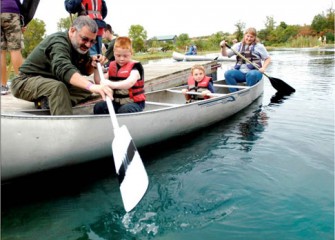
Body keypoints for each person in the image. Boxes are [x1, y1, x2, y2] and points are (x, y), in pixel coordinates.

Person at [10, 16, 114, 115]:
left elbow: (85, 71)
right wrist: (93, 87)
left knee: (85, 86)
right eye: (85, 39)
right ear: (72, 31)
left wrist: (93, 64)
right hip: (24, 82)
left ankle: (49, 102)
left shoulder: (80, 47)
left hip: (51, 82)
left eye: (92, 41)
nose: (88, 45)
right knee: (58, 88)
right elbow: (64, 69)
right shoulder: (59, 42)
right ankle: (64, 127)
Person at [94, 36, 145, 114]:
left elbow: (129, 83)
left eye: (125, 56)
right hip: (117, 103)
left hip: (134, 103)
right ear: (114, 53)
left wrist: (111, 84)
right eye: (118, 55)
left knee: (125, 110)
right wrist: (96, 68)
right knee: (99, 107)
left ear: (131, 53)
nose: (121, 59)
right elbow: (99, 81)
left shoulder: (135, 68)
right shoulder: (112, 67)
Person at [220, 27, 271, 92]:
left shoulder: (259, 46)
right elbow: (225, 54)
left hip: (255, 72)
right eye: (248, 36)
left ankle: (249, 92)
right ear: (244, 35)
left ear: (255, 37)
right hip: (241, 73)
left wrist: (263, 68)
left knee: (251, 74)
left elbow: (268, 58)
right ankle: (235, 93)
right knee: (228, 73)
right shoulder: (238, 46)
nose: (249, 38)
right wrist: (222, 47)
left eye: (251, 37)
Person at [1, 0, 24, 95]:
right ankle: (22, 85)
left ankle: (2, 86)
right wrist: (23, 20)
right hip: (10, 9)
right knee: (15, 49)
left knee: (0, 52)